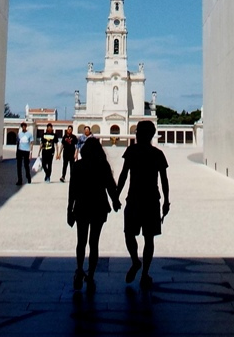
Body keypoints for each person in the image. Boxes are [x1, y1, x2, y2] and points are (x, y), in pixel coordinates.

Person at [116, 119, 170, 287]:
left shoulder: (132, 151)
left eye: (138, 132)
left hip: (135, 198)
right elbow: (164, 180)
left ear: (144, 134)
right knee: (148, 238)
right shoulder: (157, 154)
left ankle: (137, 263)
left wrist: (116, 195)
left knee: (130, 234)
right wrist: (166, 200)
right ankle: (143, 271)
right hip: (151, 199)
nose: (137, 135)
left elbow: (124, 175)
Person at [67, 137, 120, 289]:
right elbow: (110, 186)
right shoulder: (102, 165)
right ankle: (90, 275)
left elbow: (73, 190)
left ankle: (79, 269)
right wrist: (115, 201)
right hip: (99, 206)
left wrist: (69, 210)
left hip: (82, 206)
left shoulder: (78, 166)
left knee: (81, 241)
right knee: (94, 242)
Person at [15, 121, 33, 186]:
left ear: (26, 127)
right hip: (20, 150)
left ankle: (28, 177)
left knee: (26, 165)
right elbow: (18, 143)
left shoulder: (29, 134)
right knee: (19, 166)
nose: (23, 127)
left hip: (26, 151)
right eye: (22, 126)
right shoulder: (19, 134)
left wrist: (31, 153)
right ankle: (20, 180)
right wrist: (16, 152)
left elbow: (31, 143)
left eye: (24, 126)